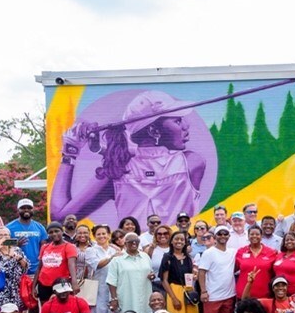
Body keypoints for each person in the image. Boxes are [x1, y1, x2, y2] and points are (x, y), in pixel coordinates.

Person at [53, 94, 206, 223]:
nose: (186, 126)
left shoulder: (116, 172)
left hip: (134, 253)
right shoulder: (192, 162)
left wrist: (70, 152)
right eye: (177, 121)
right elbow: (147, 161)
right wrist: (104, 149)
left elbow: (59, 216)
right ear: (153, 131)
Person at [196, 225, 237, 313]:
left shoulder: (232, 252)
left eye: (225, 234)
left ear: (229, 236)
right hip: (212, 295)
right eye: (220, 234)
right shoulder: (209, 253)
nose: (223, 236)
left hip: (229, 294)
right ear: (215, 236)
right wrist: (203, 291)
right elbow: (202, 272)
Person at [157, 230, 200, 313]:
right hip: (174, 291)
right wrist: (173, 298)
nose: (179, 241)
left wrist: (194, 278)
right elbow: (164, 280)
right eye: (176, 239)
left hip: (188, 290)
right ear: (172, 241)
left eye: (182, 239)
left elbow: (190, 276)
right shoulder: (167, 257)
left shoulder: (188, 258)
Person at [105, 233, 153, 313]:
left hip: (145, 297)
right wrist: (114, 298)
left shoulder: (145, 257)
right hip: (126, 297)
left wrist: (152, 276)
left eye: (136, 241)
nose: (134, 243)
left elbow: (150, 272)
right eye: (131, 241)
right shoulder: (117, 260)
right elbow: (111, 281)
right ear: (125, 243)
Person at [5, 199, 47, 276]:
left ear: (33, 210)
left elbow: (44, 247)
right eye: (23, 208)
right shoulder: (9, 227)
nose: (26, 210)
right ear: (18, 210)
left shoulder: (40, 227)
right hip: (16, 269)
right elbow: (3, 243)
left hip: (36, 269)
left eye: (29, 208)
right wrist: (15, 243)